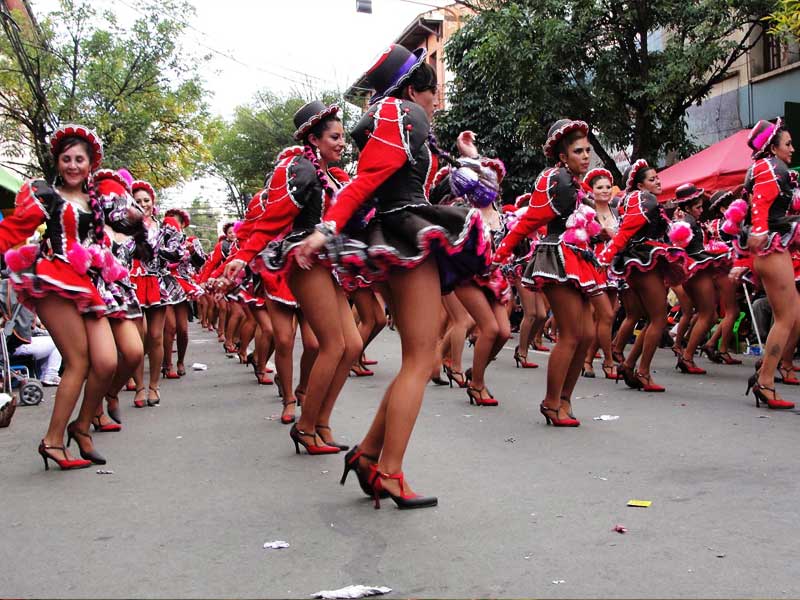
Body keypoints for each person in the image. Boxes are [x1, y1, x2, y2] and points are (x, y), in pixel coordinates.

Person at [298, 45, 491, 508]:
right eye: (433, 92)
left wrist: (467, 154)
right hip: (406, 233)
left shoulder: (398, 119)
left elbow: (482, 188)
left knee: (420, 360)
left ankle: (369, 457)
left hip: (401, 230)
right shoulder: (401, 113)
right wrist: (329, 228)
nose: (436, 102)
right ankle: (387, 470)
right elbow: (368, 179)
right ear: (411, 89)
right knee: (420, 361)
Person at [224, 100, 361, 454]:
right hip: (305, 261)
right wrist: (241, 256)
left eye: (343, 137)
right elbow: (271, 220)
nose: (341, 143)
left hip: (328, 262)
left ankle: (321, 421)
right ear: (314, 139)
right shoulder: (300, 170)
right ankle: (304, 425)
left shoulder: (331, 175)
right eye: (334, 137)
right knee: (331, 345)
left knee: (353, 346)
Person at [0, 124, 118, 469]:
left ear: (90, 163)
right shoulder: (46, 195)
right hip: (52, 279)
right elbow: (14, 229)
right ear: (58, 161)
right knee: (78, 361)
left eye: (79, 159)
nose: (72, 165)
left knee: (107, 362)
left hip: (87, 282)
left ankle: (81, 427)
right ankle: (52, 441)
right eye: (66, 159)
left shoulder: (95, 203)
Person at [495, 119, 598, 426]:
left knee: (587, 334)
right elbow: (531, 220)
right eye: (578, 151)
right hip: (557, 258)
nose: (585, 155)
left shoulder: (577, 184)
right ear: (563, 156)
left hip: (576, 257)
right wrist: (500, 253)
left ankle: (565, 399)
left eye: (587, 150)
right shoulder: (556, 179)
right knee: (571, 334)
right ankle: (552, 402)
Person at [598, 160, 687, 392]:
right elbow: (627, 230)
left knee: (647, 318)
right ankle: (643, 371)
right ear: (640, 183)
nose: (657, 181)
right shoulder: (644, 199)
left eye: (657, 177)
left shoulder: (631, 198)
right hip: (644, 261)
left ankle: (628, 365)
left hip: (634, 263)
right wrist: (606, 255)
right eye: (652, 179)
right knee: (658, 319)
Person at [741, 118, 798, 409]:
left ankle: (767, 368)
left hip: (770, 248)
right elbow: (760, 203)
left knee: (792, 314)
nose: (792, 148)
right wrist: (761, 230)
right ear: (773, 147)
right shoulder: (769, 167)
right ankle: (765, 381)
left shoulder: (771, 168)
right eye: (787, 144)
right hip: (772, 249)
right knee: (786, 318)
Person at [127, 180, 186, 408]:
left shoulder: (164, 228)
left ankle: (153, 386)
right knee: (137, 338)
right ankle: (138, 387)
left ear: (153, 203)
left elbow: (177, 253)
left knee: (156, 336)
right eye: (138, 201)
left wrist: (157, 250)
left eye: (146, 201)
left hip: (157, 282)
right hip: (132, 283)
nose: (143, 205)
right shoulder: (126, 227)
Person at [671, 183, 731, 375]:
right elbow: (679, 250)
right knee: (707, 314)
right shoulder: (685, 223)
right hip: (696, 271)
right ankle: (687, 357)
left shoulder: (687, 221)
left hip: (695, 270)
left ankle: (686, 350)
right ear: (687, 207)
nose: (701, 210)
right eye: (697, 207)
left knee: (710, 315)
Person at [582, 168, 620, 380]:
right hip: (594, 264)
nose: (605, 191)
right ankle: (608, 360)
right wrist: (599, 236)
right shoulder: (587, 212)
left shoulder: (616, 212)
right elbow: (578, 237)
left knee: (605, 317)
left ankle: (587, 361)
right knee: (604, 315)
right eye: (600, 187)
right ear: (592, 191)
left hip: (613, 267)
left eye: (607, 187)